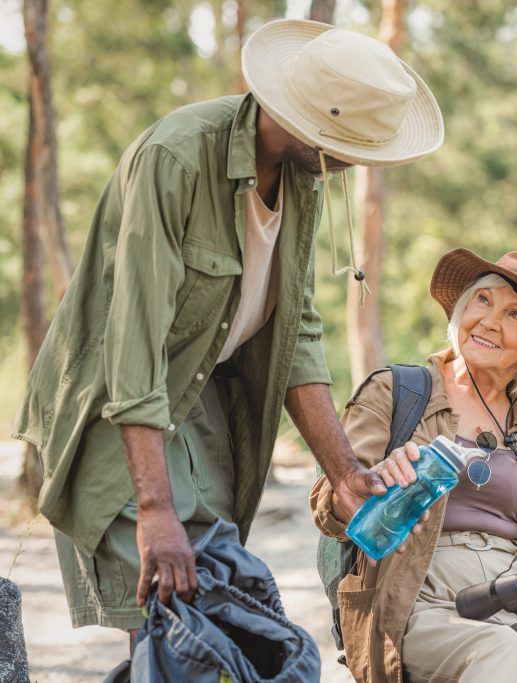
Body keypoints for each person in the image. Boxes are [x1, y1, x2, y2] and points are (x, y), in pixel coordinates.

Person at [11, 18, 443, 651]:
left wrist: (345, 471)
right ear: (311, 126)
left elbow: (297, 331)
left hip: (206, 400)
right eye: (351, 146)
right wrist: (155, 508)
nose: (356, 162)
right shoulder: (177, 157)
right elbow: (134, 341)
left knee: (206, 605)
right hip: (117, 400)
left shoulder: (303, 178)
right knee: (166, 599)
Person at [310, 249, 517, 683]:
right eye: (482, 300)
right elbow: (328, 504)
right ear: (461, 311)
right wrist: (376, 481)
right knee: (496, 649)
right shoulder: (397, 392)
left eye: (516, 315)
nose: (489, 320)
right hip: (416, 601)